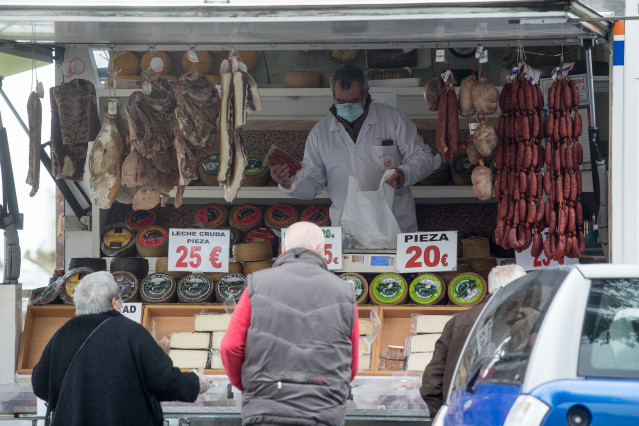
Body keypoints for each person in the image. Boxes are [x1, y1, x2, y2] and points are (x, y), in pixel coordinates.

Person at [270, 64, 434, 244]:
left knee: (394, 273)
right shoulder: (320, 133)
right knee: (350, 273)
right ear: (333, 97)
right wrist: (289, 183)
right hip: (347, 233)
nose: (347, 107)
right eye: (341, 102)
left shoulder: (393, 119)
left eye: (354, 101)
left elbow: (423, 156)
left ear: (366, 92)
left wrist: (405, 173)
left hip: (393, 225)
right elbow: (314, 183)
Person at [221, 221, 359, 426]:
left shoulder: (256, 284)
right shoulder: (344, 292)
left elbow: (230, 346)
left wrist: (251, 386)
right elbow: (352, 360)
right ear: (322, 250)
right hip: (322, 412)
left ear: (284, 249)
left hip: (266, 408)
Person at [32, 271, 212, 426]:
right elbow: (163, 381)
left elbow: (40, 385)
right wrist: (194, 384)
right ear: (114, 302)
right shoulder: (131, 333)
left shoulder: (62, 335)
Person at [420, 264, 527, 418]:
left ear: (491, 288)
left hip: (463, 415)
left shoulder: (458, 322)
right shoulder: (530, 320)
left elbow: (432, 382)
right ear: (521, 288)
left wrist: (443, 415)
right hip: (510, 416)